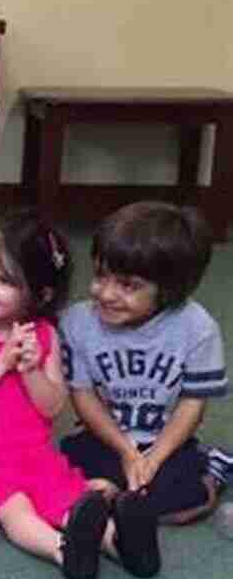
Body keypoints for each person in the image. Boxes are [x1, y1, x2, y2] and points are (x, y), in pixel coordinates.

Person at [0, 211, 159, 579]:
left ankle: (124, 546)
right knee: (16, 509)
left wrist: (31, 370)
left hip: (32, 453)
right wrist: (1, 362)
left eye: (4, 280)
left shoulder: (45, 335)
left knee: (70, 500)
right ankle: (62, 550)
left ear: (41, 294)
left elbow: (51, 406)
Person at [59, 202, 229, 524]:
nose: (105, 293)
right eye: (100, 275)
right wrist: (125, 451)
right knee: (60, 473)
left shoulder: (198, 328)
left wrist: (154, 458)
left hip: (165, 441)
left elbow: (192, 404)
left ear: (170, 290)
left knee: (182, 502)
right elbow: (83, 396)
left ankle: (215, 469)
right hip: (102, 437)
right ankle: (115, 497)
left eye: (128, 285)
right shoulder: (76, 323)